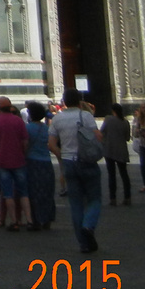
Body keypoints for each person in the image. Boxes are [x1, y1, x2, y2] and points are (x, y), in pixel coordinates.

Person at [49, 89, 103, 253]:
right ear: (80, 101)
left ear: (64, 102)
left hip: (69, 163)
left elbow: (51, 144)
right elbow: (97, 136)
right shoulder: (85, 116)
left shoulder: (57, 118)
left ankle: (83, 243)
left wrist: (63, 155)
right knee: (94, 199)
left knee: (76, 204)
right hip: (86, 161)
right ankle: (88, 226)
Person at [0, 96, 32, 231]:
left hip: (2, 162)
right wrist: (23, 154)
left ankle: (14, 221)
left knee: (7, 193)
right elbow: (25, 141)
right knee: (23, 192)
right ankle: (29, 220)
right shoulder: (18, 121)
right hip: (19, 160)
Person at [24, 102, 56, 230]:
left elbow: (25, 145)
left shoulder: (27, 128)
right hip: (46, 163)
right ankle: (47, 218)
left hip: (32, 162)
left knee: (33, 192)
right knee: (47, 191)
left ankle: (35, 220)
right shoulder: (47, 129)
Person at [101, 102, 132, 206]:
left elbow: (102, 132)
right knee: (124, 174)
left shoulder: (108, 120)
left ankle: (113, 198)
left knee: (111, 175)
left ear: (113, 111)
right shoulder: (125, 122)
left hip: (109, 150)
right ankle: (127, 197)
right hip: (122, 150)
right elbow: (127, 138)